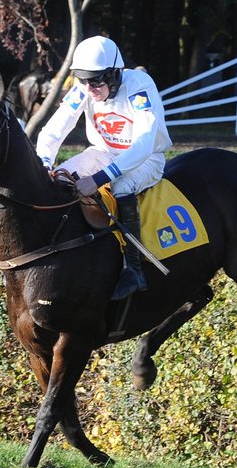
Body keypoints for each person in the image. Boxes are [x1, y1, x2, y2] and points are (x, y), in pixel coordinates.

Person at [35, 35, 172, 300]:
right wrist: (44, 164)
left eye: (95, 80)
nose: (89, 88)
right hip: (102, 152)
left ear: (114, 74)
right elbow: (53, 130)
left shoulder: (139, 86)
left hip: (147, 158)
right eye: (83, 79)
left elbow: (143, 145)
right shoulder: (84, 88)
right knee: (60, 179)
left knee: (121, 185)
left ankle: (134, 269)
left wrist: (98, 179)